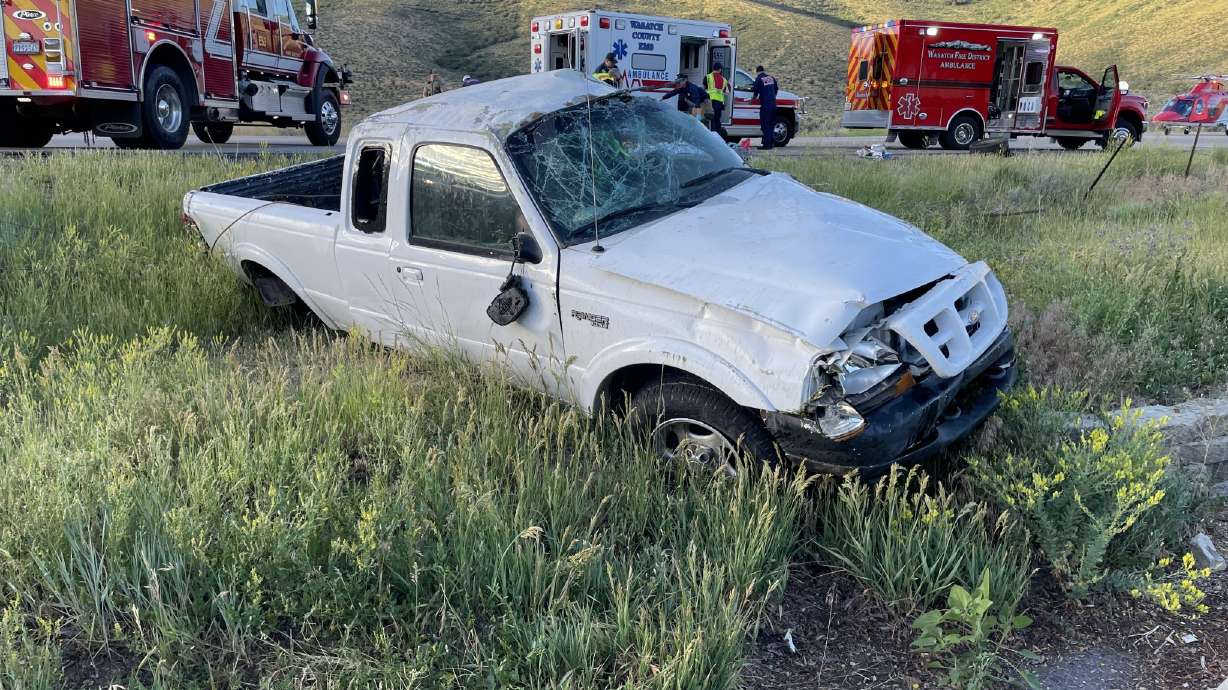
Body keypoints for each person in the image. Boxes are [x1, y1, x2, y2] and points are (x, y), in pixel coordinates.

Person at [751, 65, 779, 149]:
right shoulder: (771, 78)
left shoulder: (759, 79)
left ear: (757, 71)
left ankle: (767, 145)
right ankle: (770, 143)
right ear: (763, 70)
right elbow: (776, 90)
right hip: (773, 105)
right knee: (771, 124)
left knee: (765, 125)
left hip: (766, 106)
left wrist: (752, 100)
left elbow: (755, 92)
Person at [704, 62, 731, 138]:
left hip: (709, 102)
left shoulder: (707, 77)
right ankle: (718, 137)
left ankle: (710, 136)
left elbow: (703, 88)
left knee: (709, 119)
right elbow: (726, 92)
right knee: (717, 120)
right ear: (720, 70)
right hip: (719, 102)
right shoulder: (724, 80)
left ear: (713, 68)